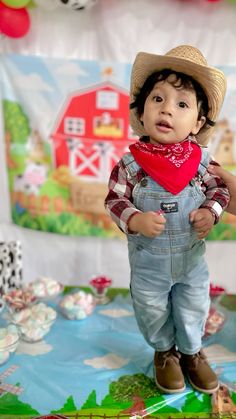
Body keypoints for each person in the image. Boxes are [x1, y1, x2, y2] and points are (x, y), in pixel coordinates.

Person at [105, 45, 231, 395]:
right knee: (151, 309)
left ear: (198, 122)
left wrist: (211, 212)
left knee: (193, 305)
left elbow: (220, 191)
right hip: (149, 265)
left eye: (181, 104)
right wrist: (133, 220)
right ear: (142, 112)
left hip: (191, 262)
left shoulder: (202, 163)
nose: (166, 110)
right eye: (157, 99)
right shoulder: (130, 165)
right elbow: (114, 199)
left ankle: (191, 352)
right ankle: (164, 353)